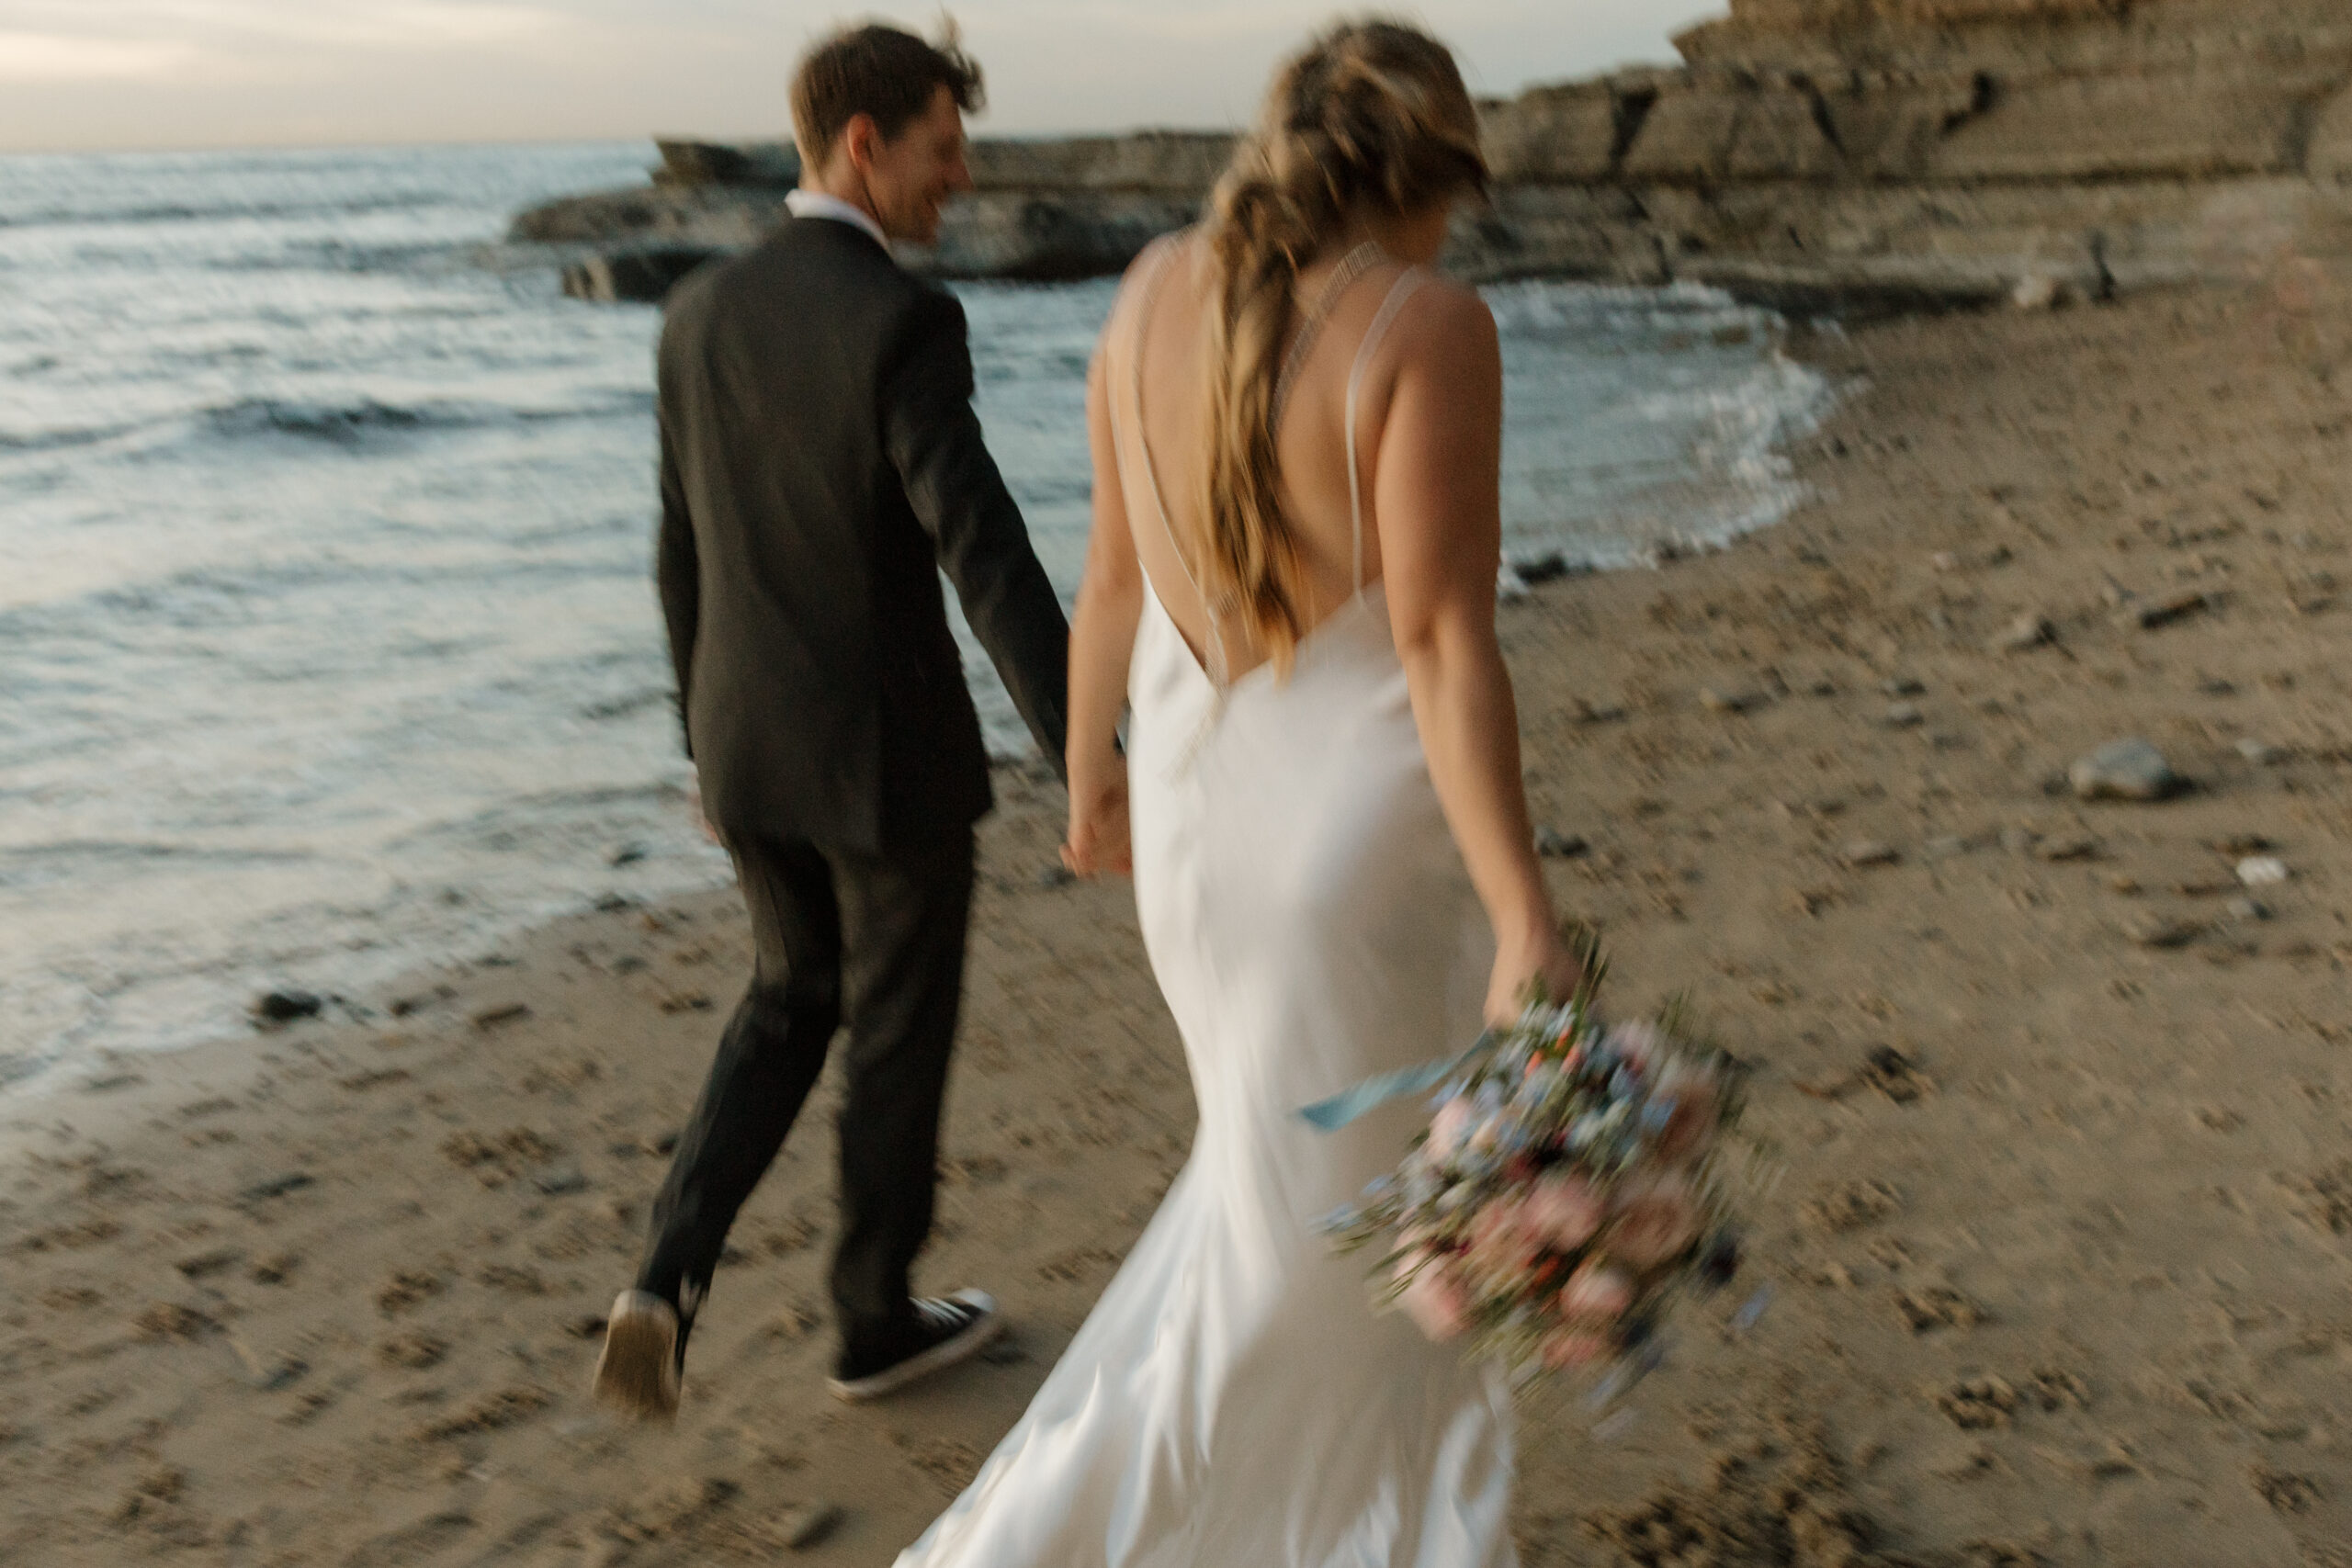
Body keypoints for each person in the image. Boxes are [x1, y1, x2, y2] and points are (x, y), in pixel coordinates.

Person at [896, 18, 1581, 1566]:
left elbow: (1113, 579)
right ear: (1437, 168)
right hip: (1351, 848)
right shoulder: (1427, 324)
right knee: (1336, 1254)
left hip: (1200, 822)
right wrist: (1525, 910)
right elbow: (1438, 642)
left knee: (1271, 1213)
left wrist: (1089, 781)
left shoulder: (1148, 292)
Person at [592, 18, 1071, 1422]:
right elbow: (981, 545)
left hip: (746, 747)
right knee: (894, 1025)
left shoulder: (697, 314)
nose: (960, 182)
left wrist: (702, 745)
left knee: (787, 998)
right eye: (942, 149)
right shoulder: (903, 321)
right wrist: (1082, 752)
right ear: (864, 145)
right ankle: (871, 1320)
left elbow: (677, 553)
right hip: (887, 764)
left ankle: (664, 1277)